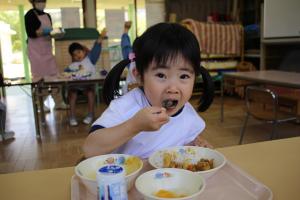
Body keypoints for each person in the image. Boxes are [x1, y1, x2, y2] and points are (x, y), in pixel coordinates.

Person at [83, 23, 215, 159]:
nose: (173, 89)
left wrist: (196, 143)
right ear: (139, 76)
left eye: (184, 76)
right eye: (161, 75)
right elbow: (90, 149)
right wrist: (134, 126)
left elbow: (185, 136)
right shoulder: (126, 106)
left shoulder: (187, 111)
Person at [25, 0, 67, 111]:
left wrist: (55, 33)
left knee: (54, 76)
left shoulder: (47, 15)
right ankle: (40, 104)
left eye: (44, 1)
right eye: (40, 1)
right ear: (33, 2)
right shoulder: (29, 15)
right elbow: (32, 33)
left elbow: (49, 33)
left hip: (47, 51)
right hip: (35, 52)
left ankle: (59, 102)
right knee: (39, 78)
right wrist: (46, 31)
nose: (42, 3)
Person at [66, 35, 103, 126]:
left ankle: (90, 114)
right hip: (75, 87)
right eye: (74, 55)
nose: (78, 55)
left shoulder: (90, 59)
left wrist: (99, 40)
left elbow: (96, 50)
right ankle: (72, 116)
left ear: (84, 51)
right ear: (72, 57)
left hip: (88, 86)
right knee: (72, 94)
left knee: (91, 93)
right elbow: (65, 74)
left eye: (79, 52)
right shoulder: (71, 66)